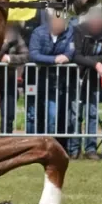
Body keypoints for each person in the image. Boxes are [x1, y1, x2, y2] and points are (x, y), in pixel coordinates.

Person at [70, 5, 102, 160]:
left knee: (93, 113)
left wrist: (93, 63)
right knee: (76, 113)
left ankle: (91, 149)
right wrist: (95, 64)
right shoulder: (78, 30)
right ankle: (74, 148)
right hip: (78, 77)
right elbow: (75, 55)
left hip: (95, 80)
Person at [27, 10, 75, 152]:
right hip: (35, 80)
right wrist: (54, 60)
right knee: (33, 115)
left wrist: (67, 56)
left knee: (52, 115)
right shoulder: (38, 33)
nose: (61, 25)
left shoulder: (69, 32)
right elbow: (34, 54)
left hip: (55, 82)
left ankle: (50, 148)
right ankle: (30, 147)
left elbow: (71, 50)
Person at [0, 23, 29, 133]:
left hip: (9, 80)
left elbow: (26, 55)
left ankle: (5, 141)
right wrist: (6, 43)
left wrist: (10, 58)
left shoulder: (15, 36)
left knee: (8, 115)